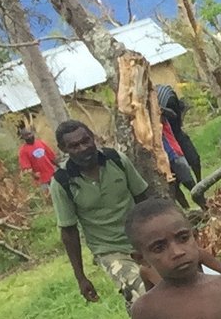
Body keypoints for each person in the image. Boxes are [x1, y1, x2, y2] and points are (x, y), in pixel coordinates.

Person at [50, 118, 159, 308]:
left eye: (86, 140)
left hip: (142, 240)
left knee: (171, 284)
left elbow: (143, 199)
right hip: (109, 250)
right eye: (74, 146)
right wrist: (81, 277)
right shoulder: (62, 182)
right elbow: (69, 232)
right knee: (143, 293)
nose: (83, 148)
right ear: (64, 149)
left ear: (93, 138)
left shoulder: (116, 160)